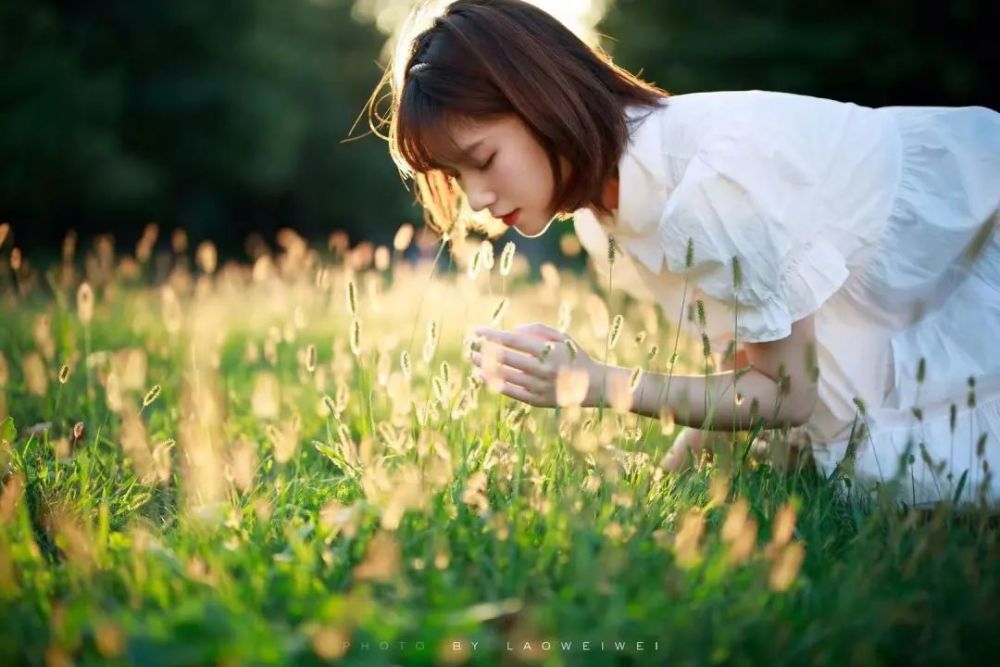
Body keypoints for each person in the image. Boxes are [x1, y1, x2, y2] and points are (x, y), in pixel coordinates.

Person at [367, 0, 1000, 507]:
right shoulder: (604, 217)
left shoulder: (710, 186)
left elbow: (786, 395)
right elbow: (748, 357)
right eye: (455, 174)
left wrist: (598, 383)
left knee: (899, 473)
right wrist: (666, 489)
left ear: (544, 102)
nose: (476, 198)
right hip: (913, 287)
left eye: (482, 159)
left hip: (975, 229)